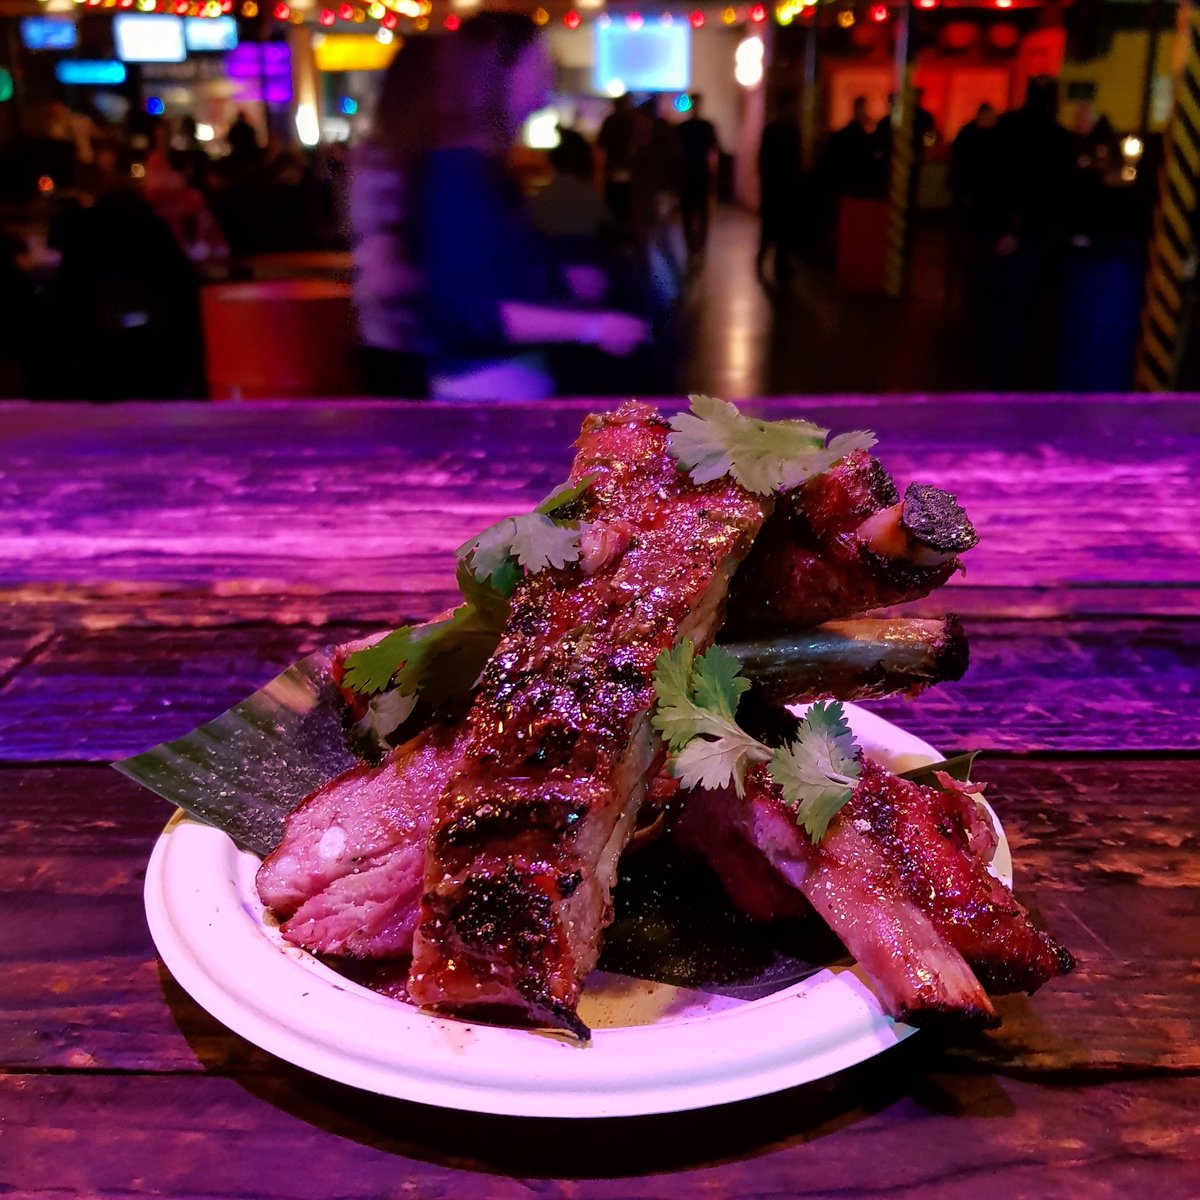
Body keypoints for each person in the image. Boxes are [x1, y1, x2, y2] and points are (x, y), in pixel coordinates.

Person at [372, 13, 648, 401]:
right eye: (538, 64)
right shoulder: (457, 171)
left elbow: (495, 275)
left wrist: (558, 280)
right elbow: (474, 311)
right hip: (483, 393)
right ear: (502, 71)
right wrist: (593, 327)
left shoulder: (481, 166)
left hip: (503, 385)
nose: (547, 80)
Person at [757, 92, 802, 284]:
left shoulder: (775, 130)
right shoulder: (789, 131)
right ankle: (776, 262)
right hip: (781, 186)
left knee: (774, 226)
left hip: (776, 186)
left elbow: (764, 160)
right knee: (779, 226)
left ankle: (768, 259)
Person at [676, 93, 720, 262]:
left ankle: (695, 247)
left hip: (692, 173)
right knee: (697, 213)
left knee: (693, 213)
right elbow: (714, 150)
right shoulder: (704, 127)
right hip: (695, 173)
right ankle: (697, 246)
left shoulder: (684, 128)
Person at [597, 93, 636, 228]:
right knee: (627, 207)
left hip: (613, 169)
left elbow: (601, 142)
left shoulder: (610, 121)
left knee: (613, 207)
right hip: (628, 169)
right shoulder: (631, 122)